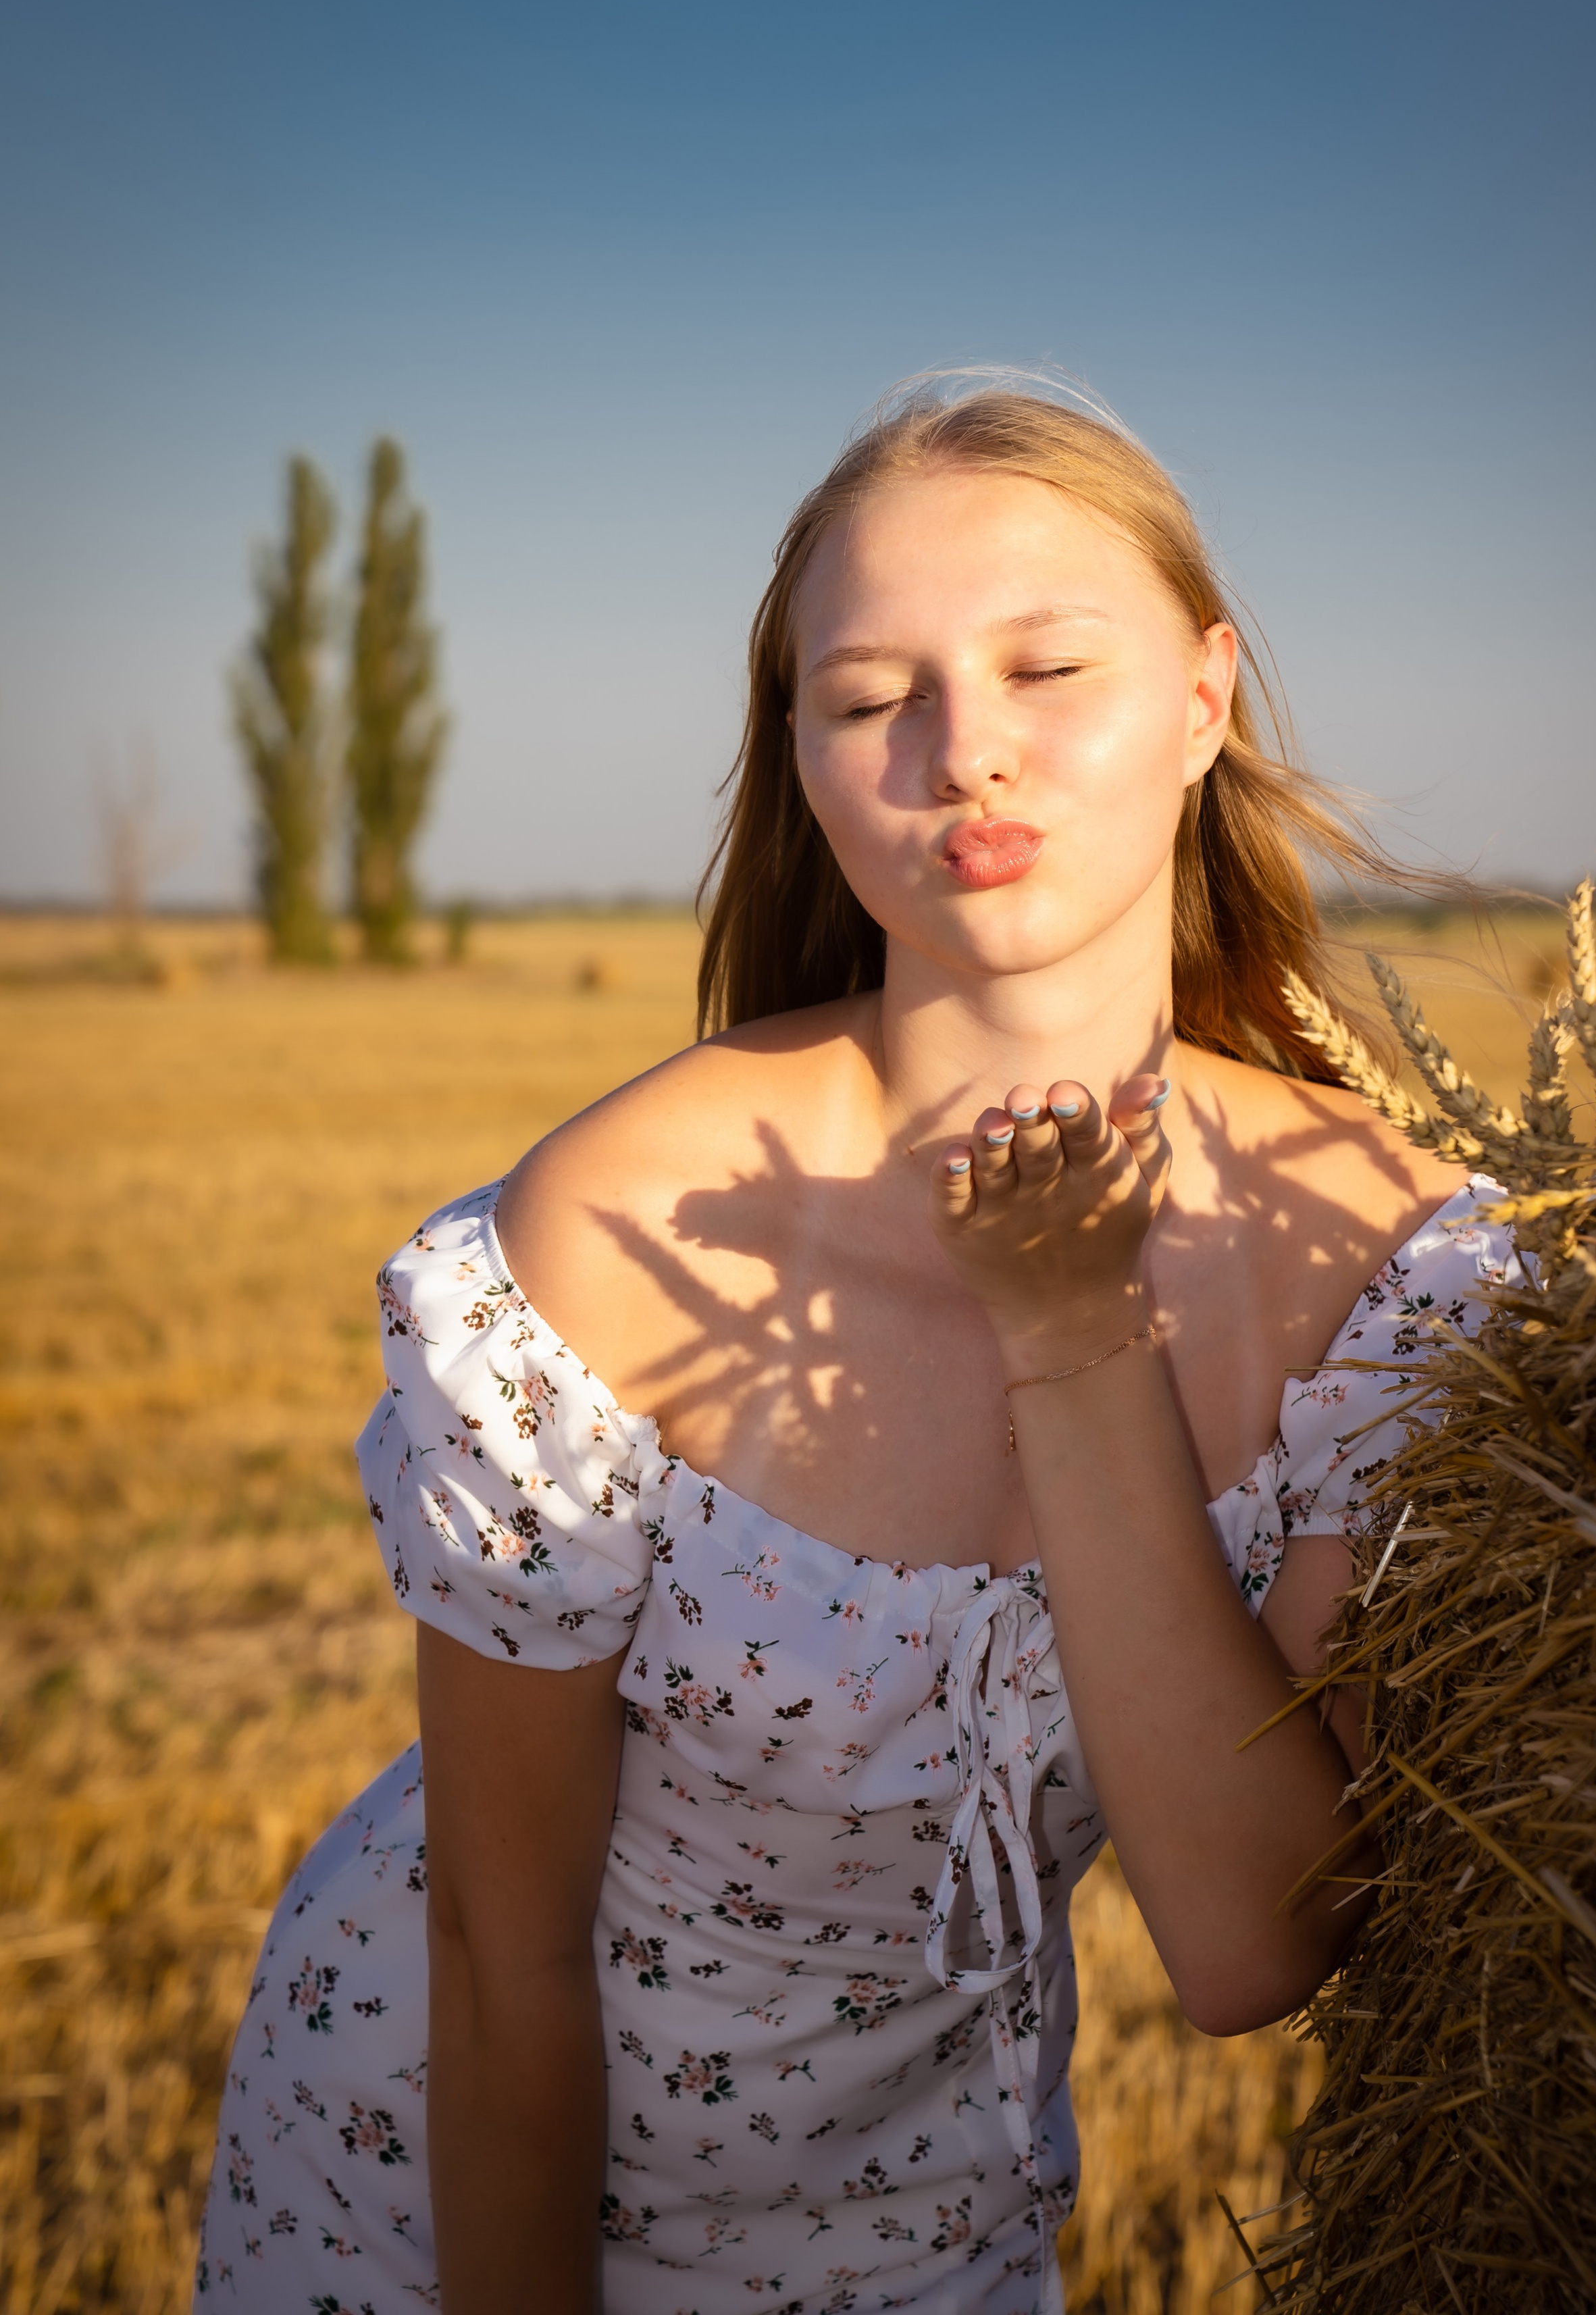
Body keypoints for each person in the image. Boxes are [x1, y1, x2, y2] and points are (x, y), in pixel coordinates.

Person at [196, 384, 1517, 2315]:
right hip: (438, 2173)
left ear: (1205, 698)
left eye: (1048, 664)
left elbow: (1248, 1948)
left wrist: (1076, 1341)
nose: (967, 752)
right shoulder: (601, 1240)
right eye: (869, 695)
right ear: (804, 760)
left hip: (932, 2197)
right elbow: (501, 1948)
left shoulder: (1388, 1271)